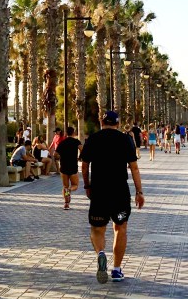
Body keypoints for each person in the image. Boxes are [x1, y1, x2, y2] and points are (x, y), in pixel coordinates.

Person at [81, 110, 145, 284]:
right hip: (120, 191)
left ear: (102, 123)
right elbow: (134, 168)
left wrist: (87, 185)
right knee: (120, 228)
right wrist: (139, 192)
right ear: (117, 124)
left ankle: (100, 253)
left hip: (99, 190)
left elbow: (85, 166)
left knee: (97, 229)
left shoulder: (93, 139)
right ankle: (116, 270)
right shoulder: (125, 139)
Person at [57, 126, 82, 209]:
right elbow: (82, 149)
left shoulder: (62, 142)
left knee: (65, 186)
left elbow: (55, 154)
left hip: (64, 166)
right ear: (73, 133)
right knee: (75, 185)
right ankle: (70, 190)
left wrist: (61, 157)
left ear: (66, 133)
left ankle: (66, 204)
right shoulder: (76, 141)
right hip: (73, 166)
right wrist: (80, 157)